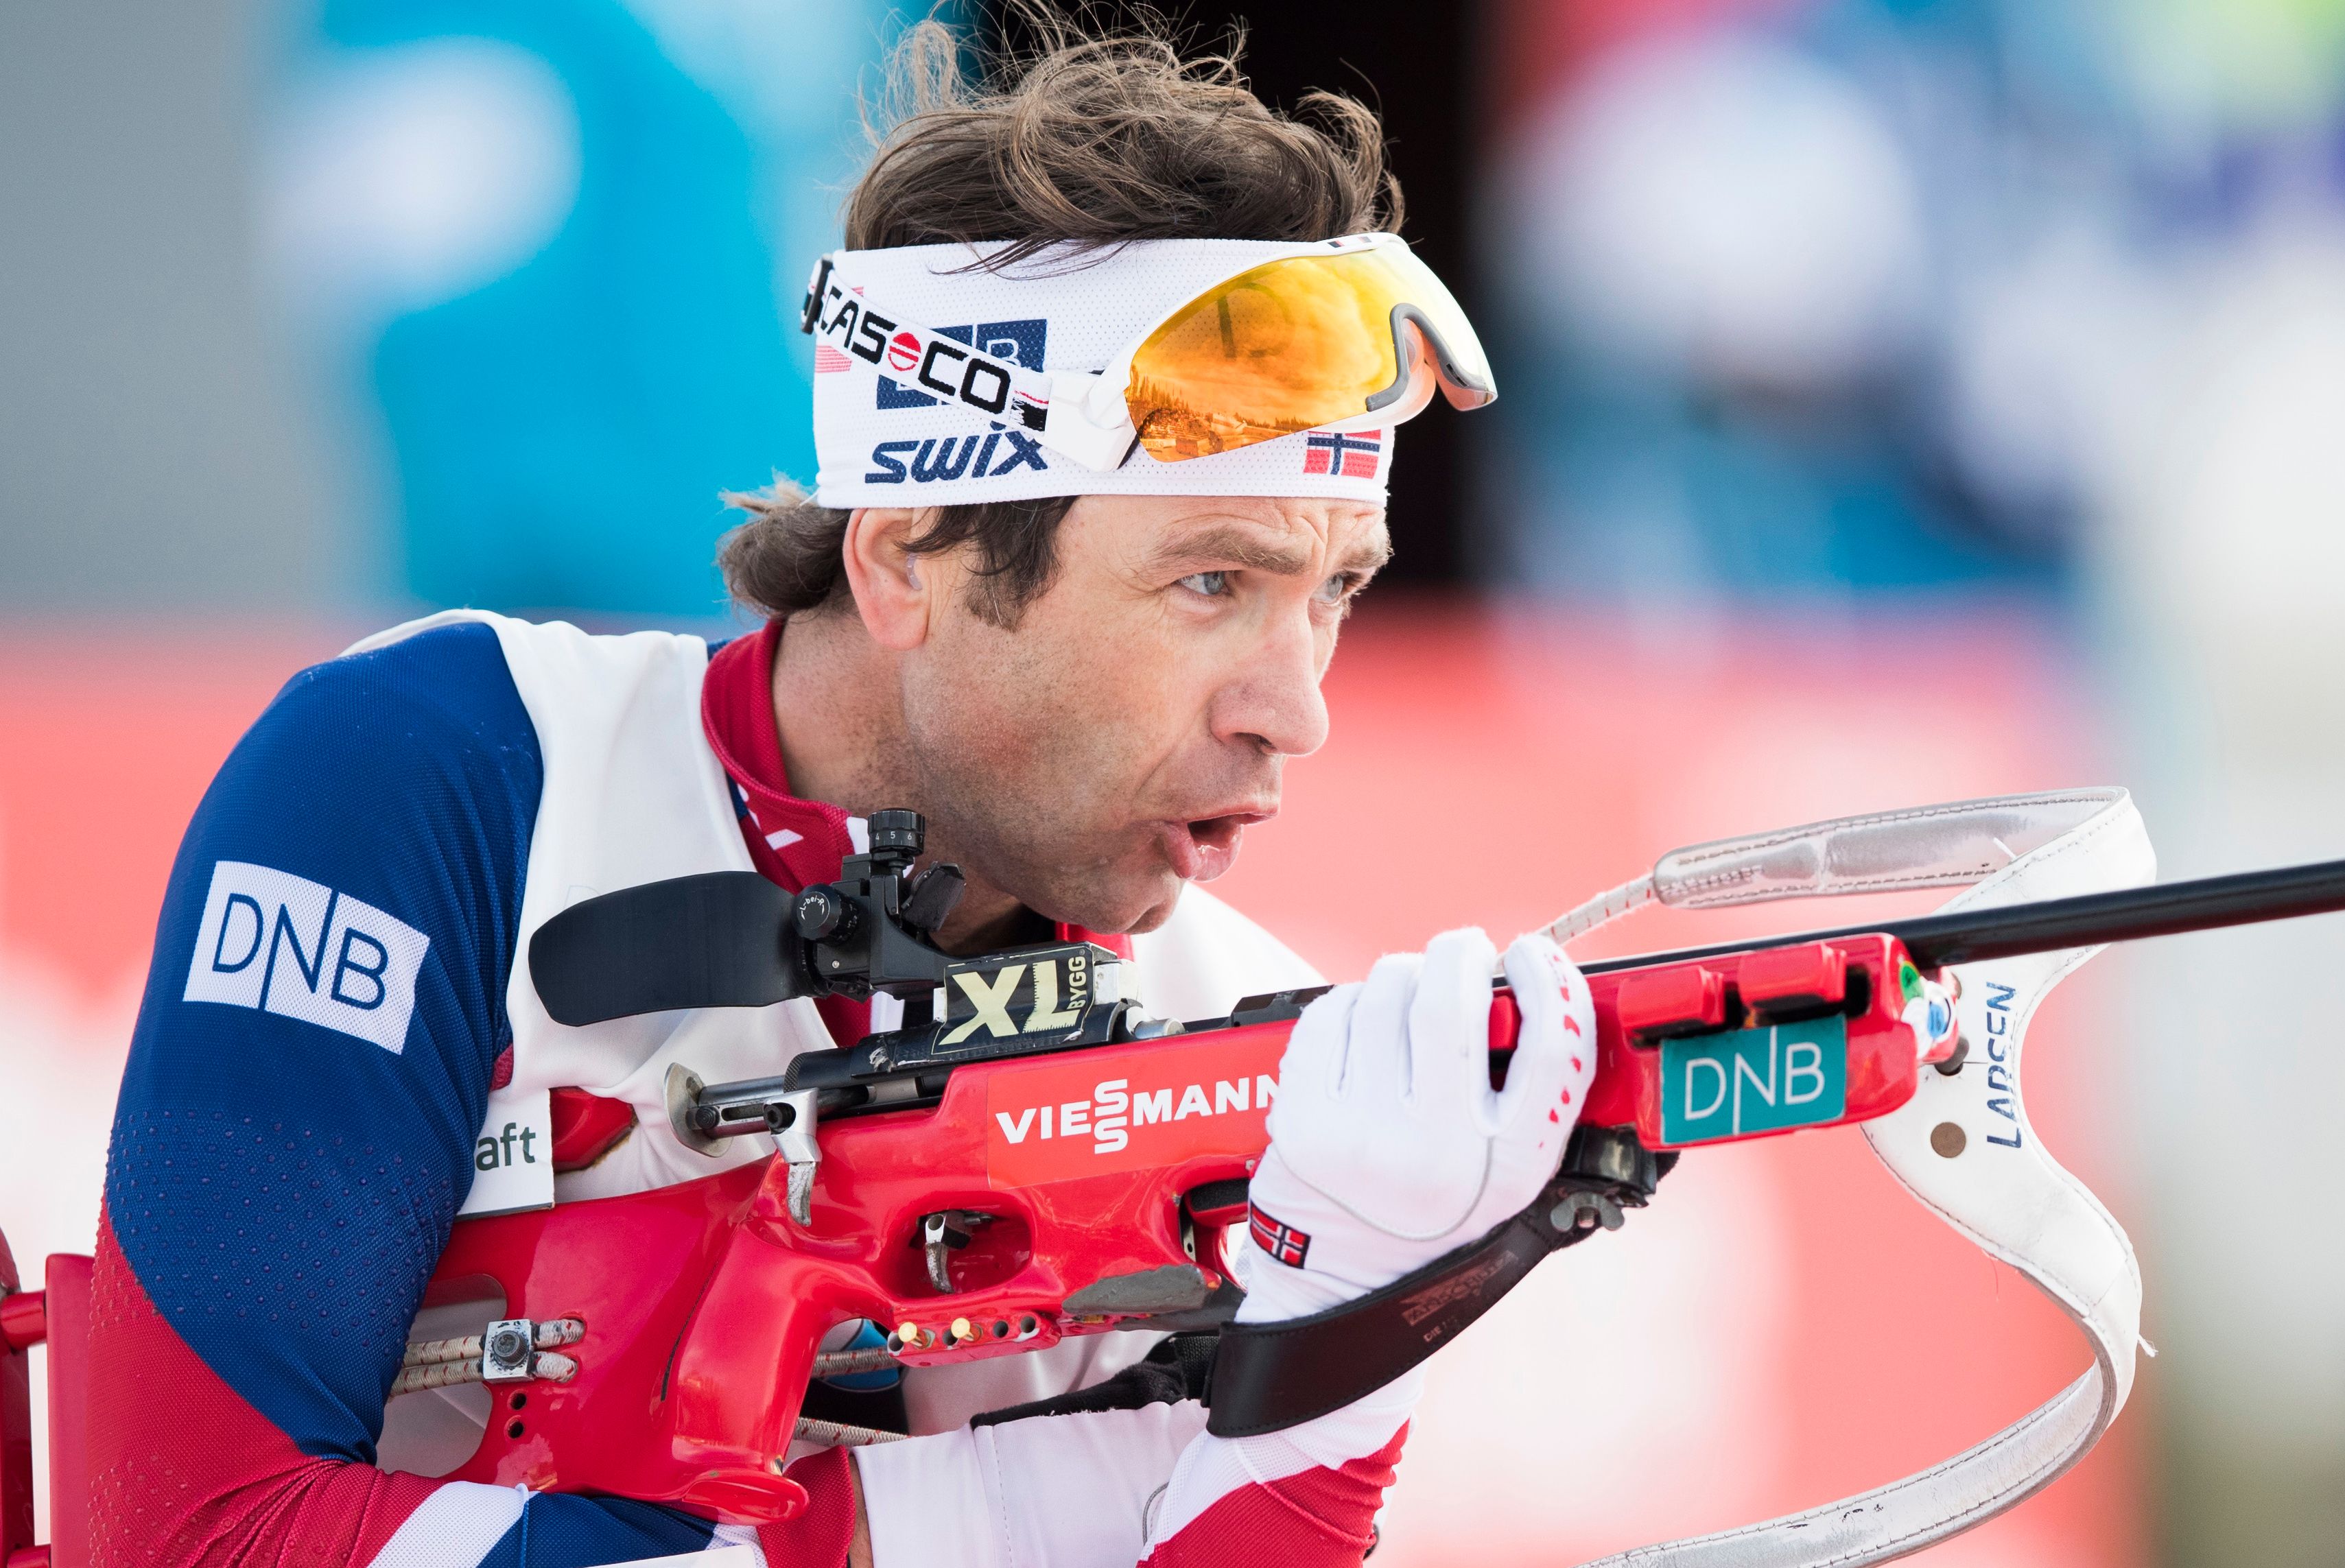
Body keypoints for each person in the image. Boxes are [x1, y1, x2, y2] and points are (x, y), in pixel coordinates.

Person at [86, 14, 1592, 1567]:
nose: (1300, 712)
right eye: (1211, 581)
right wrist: (941, 1529)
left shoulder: (1252, 1046)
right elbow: (188, 1535)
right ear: (905, 561)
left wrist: (1348, 1361)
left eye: (1335, 590)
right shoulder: (447, 770)